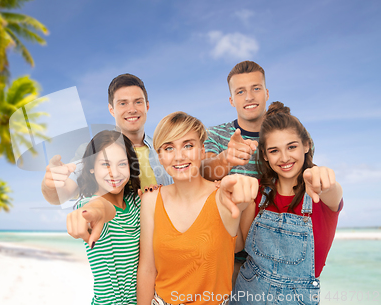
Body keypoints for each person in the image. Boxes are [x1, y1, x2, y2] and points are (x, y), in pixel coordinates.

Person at [137, 112, 259, 305]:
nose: (179, 156)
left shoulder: (223, 196)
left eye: (188, 145)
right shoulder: (150, 200)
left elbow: (237, 243)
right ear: (160, 157)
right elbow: (147, 268)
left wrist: (245, 189)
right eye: (169, 148)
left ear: (202, 151)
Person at [232, 102, 343, 304]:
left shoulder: (321, 193)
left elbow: (333, 191)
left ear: (306, 145)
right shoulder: (256, 192)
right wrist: (236, 209)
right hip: (247, 293)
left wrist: (327, 181)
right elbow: (237, 246)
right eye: (274, 151)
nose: (284, 158)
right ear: (265, 155)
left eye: (291, 147)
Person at [42, 74, 172, 205]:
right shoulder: (93, 150)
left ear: (147, 106)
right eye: (123, 103)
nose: (132, 109)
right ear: (111, 109)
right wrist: (51, 185)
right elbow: (61, 194)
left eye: (138, 102)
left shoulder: (165, 150)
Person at [66, 130, 142, 305]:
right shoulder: (88, 204)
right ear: (92, 167)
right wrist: (95, 210)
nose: (114, 173)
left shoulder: (137, 202)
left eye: (122, 164)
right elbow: (100, 208)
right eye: (105, 164)